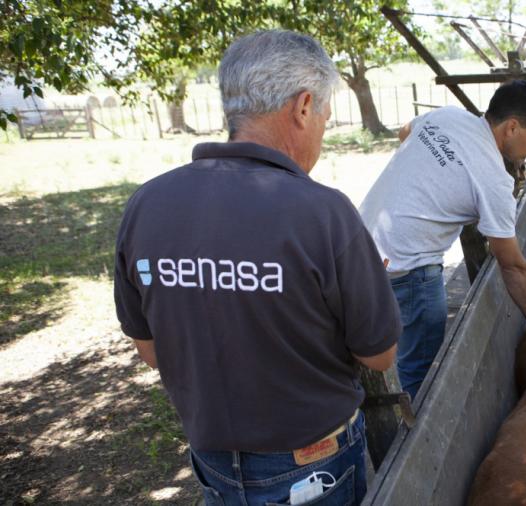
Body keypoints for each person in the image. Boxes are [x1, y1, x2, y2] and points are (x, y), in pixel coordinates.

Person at [113, 30, 400, 506]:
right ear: (304, 106)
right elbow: (380, 356)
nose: (322, 133)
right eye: (325, 119)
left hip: (213, 461)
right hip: (313, 467)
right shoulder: (324, 213)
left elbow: (150, 350)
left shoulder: (147, 204)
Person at [359, 79, 526, 400]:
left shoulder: (449, 116)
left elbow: (404, 133)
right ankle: (418, 440)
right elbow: (512, 266)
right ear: (511, 127)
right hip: (409, 270)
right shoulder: (495, 182)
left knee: (362, 351)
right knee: (420, 371)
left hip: (357, 247)